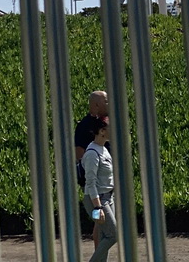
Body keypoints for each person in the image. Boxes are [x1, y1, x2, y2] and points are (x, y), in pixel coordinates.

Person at [75, 90, 109, 249]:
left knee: (101, 223)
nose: (108, 104)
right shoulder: (85, 126)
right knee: (103, 225)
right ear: (96, 104)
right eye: (106, 101)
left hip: (106, 178)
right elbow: (80, 155)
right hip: (95, 181)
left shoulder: (105, 122)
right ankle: (98, 256)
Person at [82, 116, 117, 262]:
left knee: (104, 236)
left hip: (108, 198)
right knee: (113, 235)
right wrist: (98, 208)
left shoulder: (103, 149)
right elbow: (90, 184)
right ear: (102, 131)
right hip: (97, 201)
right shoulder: (92, 153)